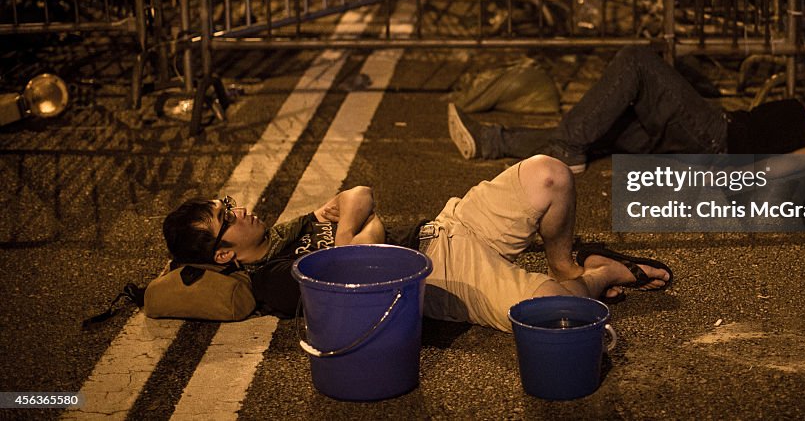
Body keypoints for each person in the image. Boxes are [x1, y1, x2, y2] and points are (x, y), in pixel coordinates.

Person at [162, 156, 672, 330]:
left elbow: (359, 194)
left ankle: (564, 262)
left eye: (226, 201)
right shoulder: (275, 280)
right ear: (224, 253)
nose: (238, 207)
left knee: (549, 174)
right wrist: (360, 236)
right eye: (225, 216)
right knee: (552, 313)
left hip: (446, 225)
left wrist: (343, 239)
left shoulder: (285, 232)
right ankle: (600, 275)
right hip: (442, 275)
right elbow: (377, 241)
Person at [448, 46, 805, 174]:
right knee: (606, 129)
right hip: (716, 137)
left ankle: (568, 148)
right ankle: (493, 141)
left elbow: (793, 166)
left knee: (637, 63)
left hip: (720, 141)